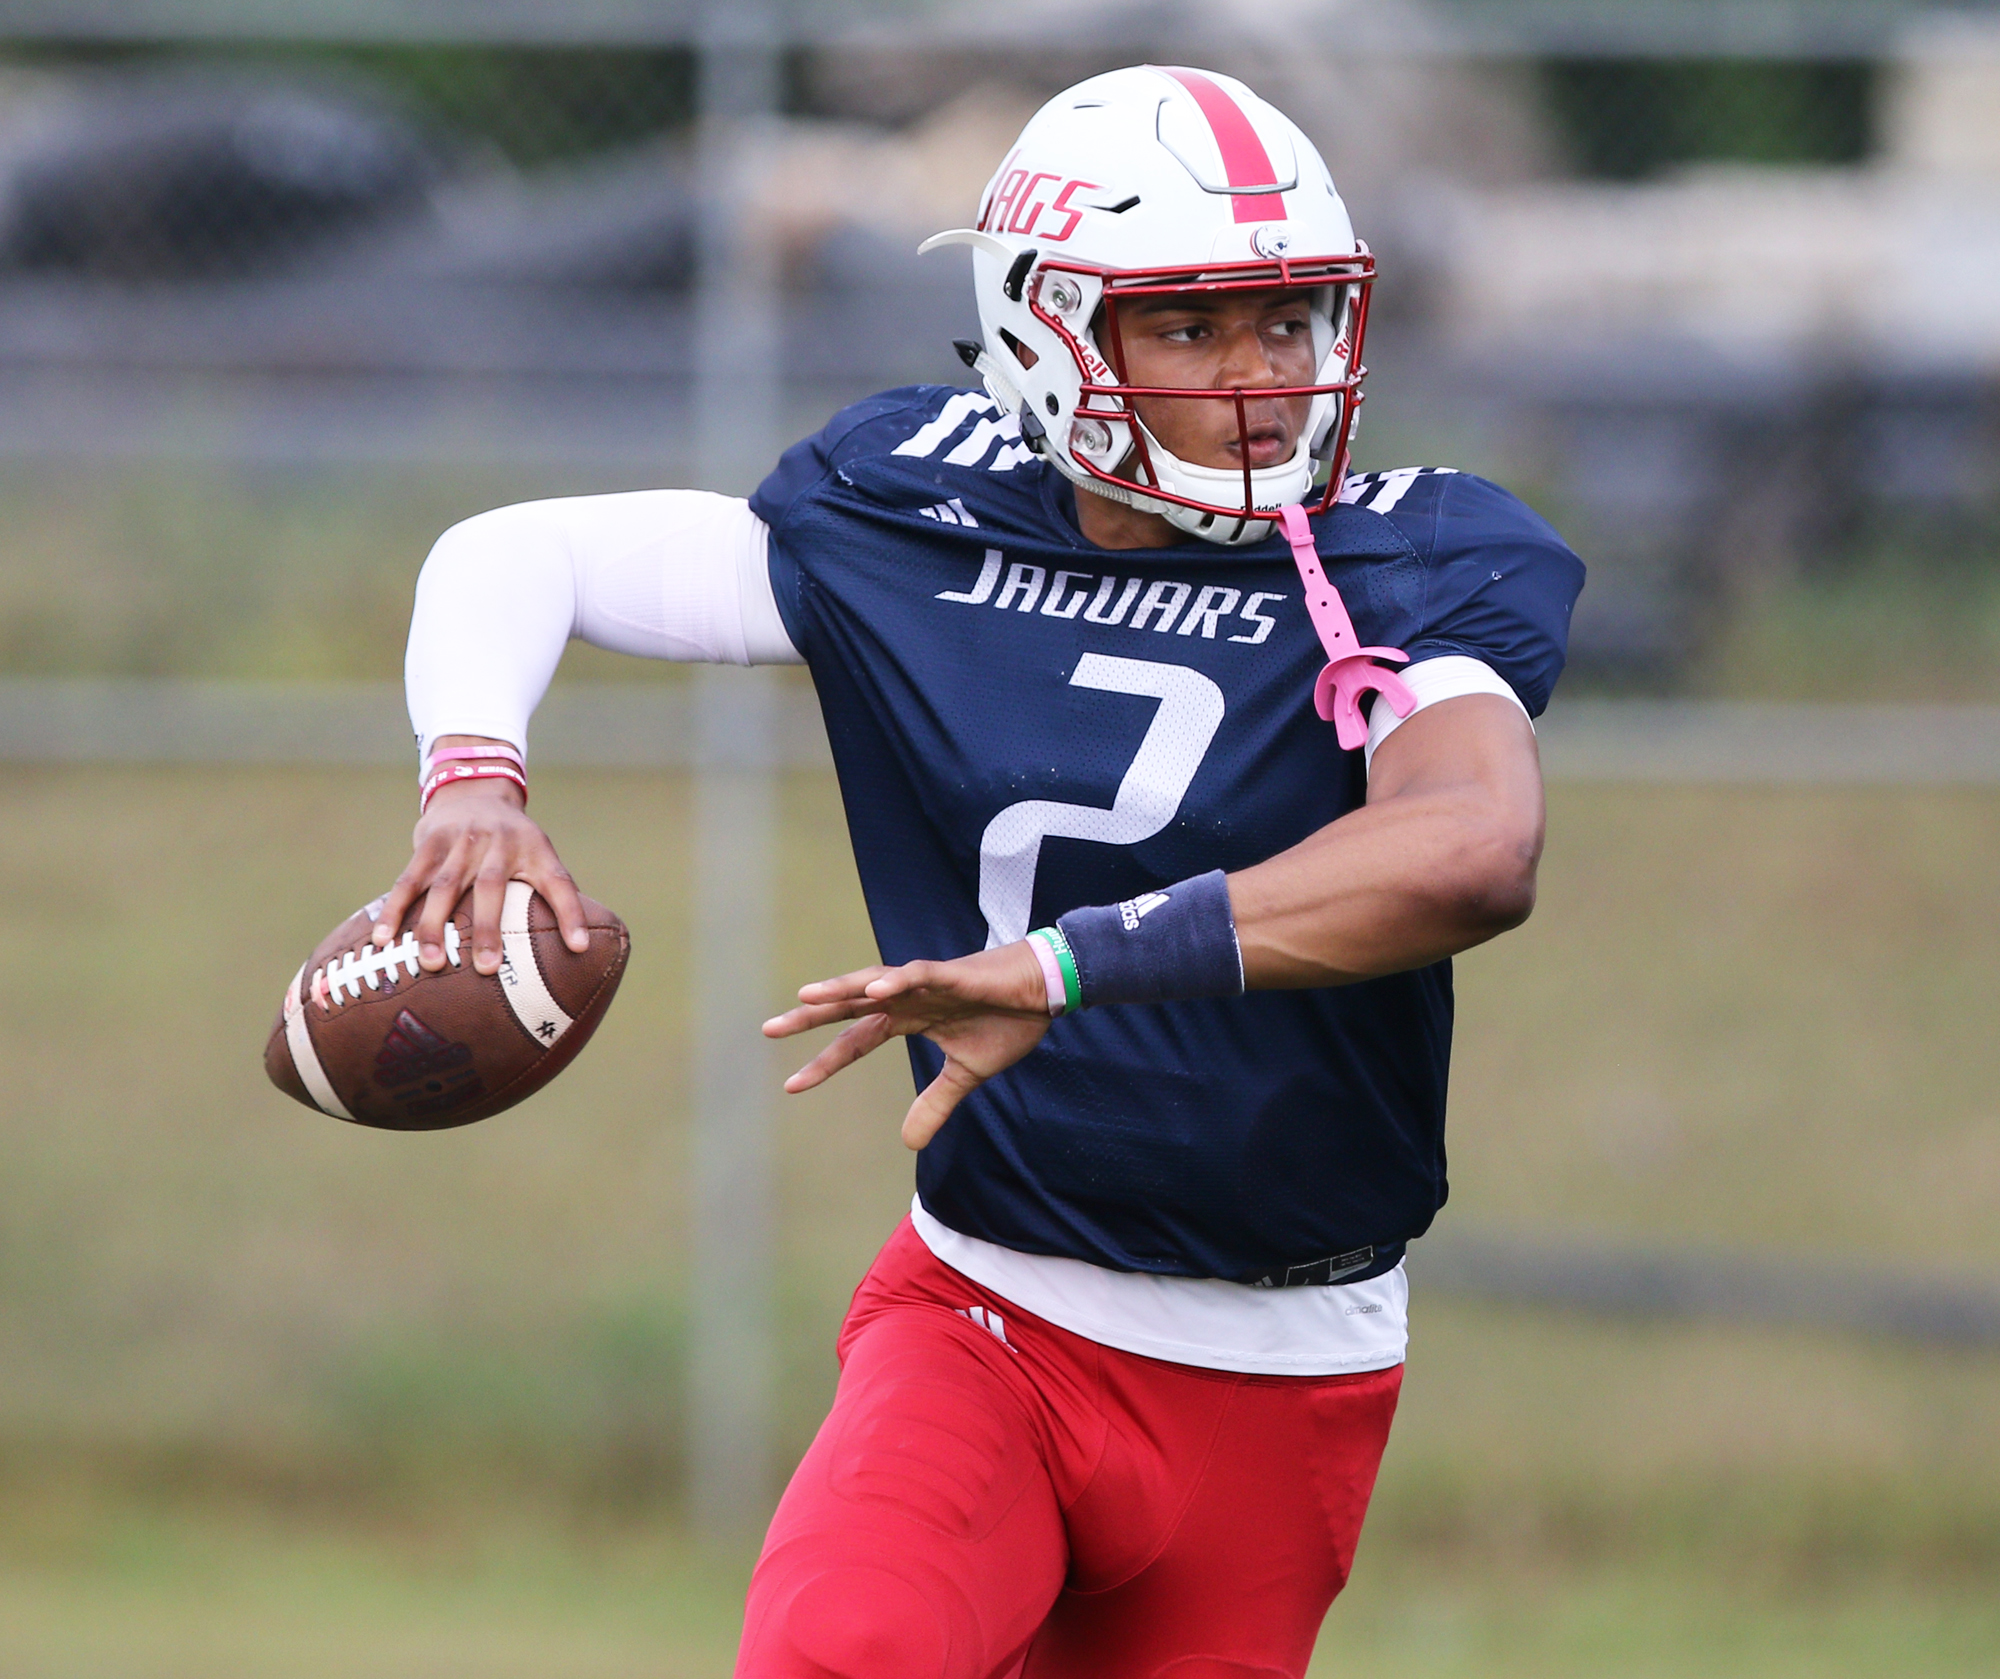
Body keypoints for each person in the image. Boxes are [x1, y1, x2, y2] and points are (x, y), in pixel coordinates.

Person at [386, 64, 1583, 1679]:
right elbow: (519, 554)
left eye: (1290, 321)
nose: (1261, 379)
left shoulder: (1405, 557)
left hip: (1289, 1369)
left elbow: (1470, 851)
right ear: (1046, 328)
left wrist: (1068, 966)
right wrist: (473, 783)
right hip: (986, 1320)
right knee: (840, 1657)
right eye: (1194, 326)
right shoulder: (919, 507)